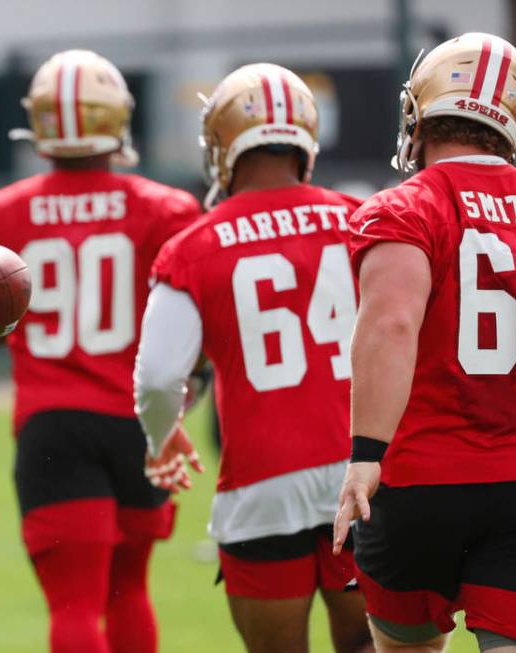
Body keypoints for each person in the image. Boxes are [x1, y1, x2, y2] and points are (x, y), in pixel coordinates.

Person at [0, 49, 203, 653]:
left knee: (73, 603)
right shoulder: (167, 208)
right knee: (131, 588)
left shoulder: (0, 212)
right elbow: (197, 331)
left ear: (39, 123)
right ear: (116, 119)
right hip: (139, 420)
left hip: (53, 424)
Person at [134, 64, 373, 653]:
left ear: (220, 147)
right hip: (365, 473)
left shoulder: (193, 245)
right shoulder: (365, 219)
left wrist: (162, 436)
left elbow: (160, 376)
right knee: (371, 645)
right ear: (306, 141)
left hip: (261, 484)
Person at [333, 32, 516, 652]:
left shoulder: (406, 206)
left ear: (420, 114)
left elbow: (392, 324)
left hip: (421, 479)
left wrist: (365, 455)